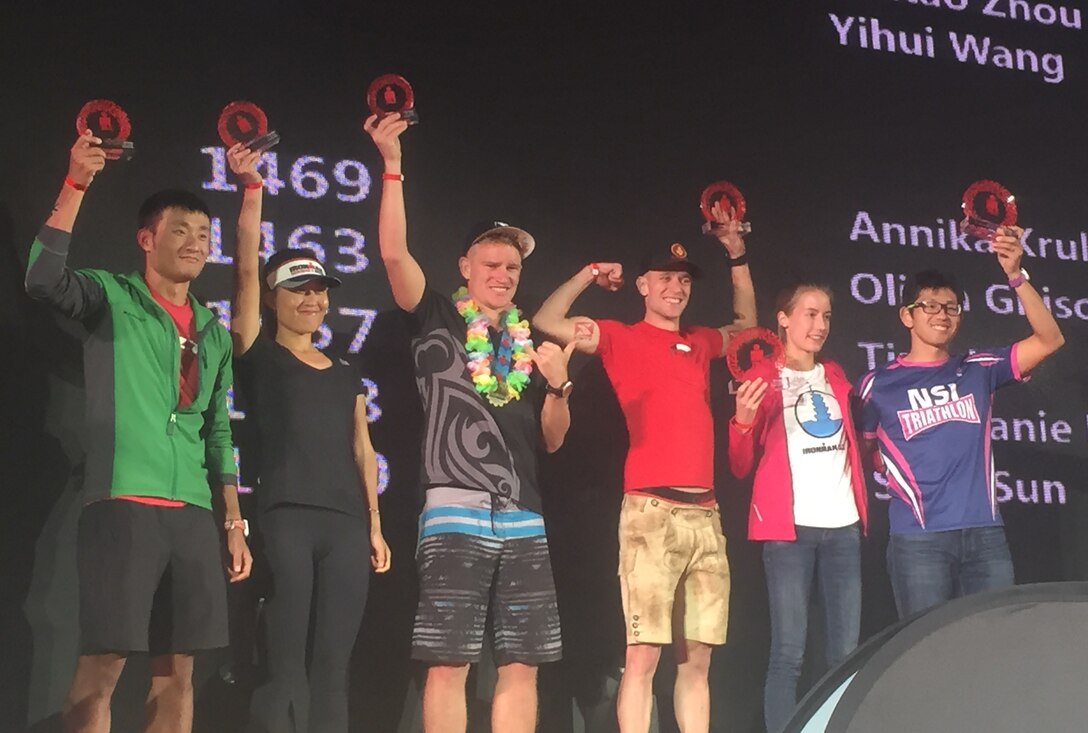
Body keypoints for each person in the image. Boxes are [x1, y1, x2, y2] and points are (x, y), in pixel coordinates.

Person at [25, 131, 252, 733]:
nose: (195, 244)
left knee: (178, 674)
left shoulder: (213, 330)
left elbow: (218, 434)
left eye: (204, 235)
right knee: (104, 665)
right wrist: (75, 183)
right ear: (147, 238)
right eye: (181, 230)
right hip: (124, 503)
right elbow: (43, 279)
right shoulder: (113, 296)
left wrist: (232, 520)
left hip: (193, 515)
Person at [366, 113, 574, 733]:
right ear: (465, 266)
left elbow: (552, 439)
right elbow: (392, 251)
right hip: (453, 508)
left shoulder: (529, 340)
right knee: (450, 662)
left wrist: (560, 383)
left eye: (512, 268)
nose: (503, 275)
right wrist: (392, 162)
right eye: (491, 263)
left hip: (525, 514)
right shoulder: (434, 316)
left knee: (521, 665)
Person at [531, 206, 756, 733]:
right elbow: (546, 320)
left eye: (682, 280)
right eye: (663, 279)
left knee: (697, 661)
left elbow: (747, 328)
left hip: (706, 514)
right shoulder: (617, 335)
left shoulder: (699, 342)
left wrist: (736, 255)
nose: (675, 288)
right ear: (642, 286)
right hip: (650, 511)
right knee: (643, 660)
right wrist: (589, 274)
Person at [225, 145, 390, 733]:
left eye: (320, 291)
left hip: (346, 524)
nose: (313, 300)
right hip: (286, 517)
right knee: (285, 662)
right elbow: (245, 268)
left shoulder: (344, 370)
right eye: (298, 290)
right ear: (273, 299)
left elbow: (362, 449)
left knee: (334, 666)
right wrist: (252, 191)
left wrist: (372, 523)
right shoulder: (258, 353)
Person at [857, 227, 1064, 619]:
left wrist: (1015, 275)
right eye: (930, 306)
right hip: (919, 540)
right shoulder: (875, 385)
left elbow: (1050, 339)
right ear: (906, 315)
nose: (942, 315)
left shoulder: (978, 369)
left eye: (951, 308)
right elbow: (867, 450)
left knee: (995, 645)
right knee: (925, 649)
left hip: (985, 535)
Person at [727, 283, 868, 733]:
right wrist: (742, 423)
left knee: (846, 654)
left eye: (826, 316)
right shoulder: (763, 379)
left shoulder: (836, 376)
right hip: (790, 534)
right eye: (809, 314)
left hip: (843, 527)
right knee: (789, 653)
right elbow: (739, 466)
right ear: (782, 320)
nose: (820, 325)